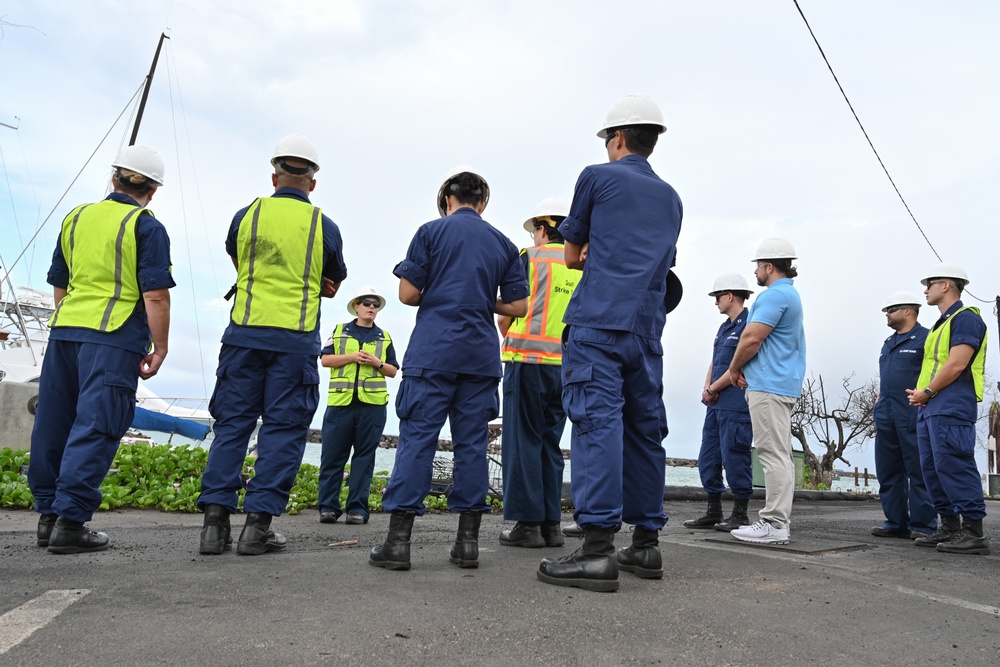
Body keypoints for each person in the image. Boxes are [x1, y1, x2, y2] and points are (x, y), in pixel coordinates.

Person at [536, 94, 682, 593]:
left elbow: (571, 256)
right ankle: (645, 544)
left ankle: (597, 550)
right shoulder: (671, 197)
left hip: (598, 323)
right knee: (644, 431)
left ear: (616, 137)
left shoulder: (596, 177)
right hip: (646, 329)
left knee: (597, 425)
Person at [370, 166, 528, 572]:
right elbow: (517, 307)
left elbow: (408, 294)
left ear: (446, 201)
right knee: (472, 446)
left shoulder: (430, 232)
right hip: (479, 359)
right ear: (483, 203)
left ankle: (398, 544)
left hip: (433, 353)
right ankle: (467, 544)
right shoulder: (505, 245)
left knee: (418, 440)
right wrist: (480, 296)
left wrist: (445, 289)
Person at [198, 134, 347, 556]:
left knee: (232, 428)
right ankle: (257, 528)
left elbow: (238, 260)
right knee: (283, 431)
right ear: (313, 183)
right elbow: (332, 282)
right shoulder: (324, 226)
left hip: (243, 335)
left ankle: (214, 527)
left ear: (274, 175)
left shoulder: (247, 216)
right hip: (295, 341)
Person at [29, 145, 173, 554]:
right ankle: (71, 524)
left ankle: (47, 519)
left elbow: (60, 280)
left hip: (65, 333)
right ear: (153, 190)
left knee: (53, 422)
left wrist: (72, 319)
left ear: (114, 179)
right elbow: (156, 296)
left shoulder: (76, 217)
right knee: (97, 424)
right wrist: (159, 347)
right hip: (113, 339)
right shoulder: (146, 226)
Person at [497, 196, 580, 549]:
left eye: (535, 232)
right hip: (567, 366)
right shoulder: (582, 263)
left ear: (543, 229)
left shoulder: (529, 259)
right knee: (550, 444)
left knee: (522, 442)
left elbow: (507, 312)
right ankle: (551, 526)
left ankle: (527, 526)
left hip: (527, 363)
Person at [907, 263, 990, 555]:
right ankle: (950, 526)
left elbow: (957, 363)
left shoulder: (966, 319)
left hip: (951, 403)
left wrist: (927, 391)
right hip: (931, 405)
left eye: (930, 283)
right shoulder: (941, 325)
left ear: (946, 285)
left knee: (953, 463)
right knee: (933, 467)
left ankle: (973, 532)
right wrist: (924, 396)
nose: (925, 290)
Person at [727, 238, 805, 545]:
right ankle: (778, 521)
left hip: (768, 386)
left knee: (772, 455)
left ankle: (774, 523)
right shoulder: (790, 294)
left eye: (758, 266)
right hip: (779, 383)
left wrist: (734, 369)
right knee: (781, 455)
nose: (757, 272)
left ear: (769, 266)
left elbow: (751, 339)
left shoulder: (774, 296)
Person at [318, 287, 398, 525]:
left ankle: (357, 510)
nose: (371, 307)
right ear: (356, 306)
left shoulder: (384, 337)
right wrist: (353, 357)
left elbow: (393, 370)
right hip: (340, 403)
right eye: (367, 303)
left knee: (364, 458)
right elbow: (325, 360)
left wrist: (377, 362)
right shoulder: (339, 331)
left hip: (372, 406)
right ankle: (328, 508)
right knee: (332, 457)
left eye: (375, 304)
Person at [683, 274, 754, 533]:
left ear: (730, 296)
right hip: (715, 402)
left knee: (735, 455)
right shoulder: (724, 327)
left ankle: (740, 513)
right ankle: (713, 511)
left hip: (735, 404)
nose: (715, 302)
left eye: (717, 297)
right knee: (708, 456)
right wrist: (707, 387)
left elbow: (738, 366)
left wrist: (713, 387)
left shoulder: (749, 324)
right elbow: (716, 362)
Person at [871, 291, 935, 539]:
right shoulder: (888, 342)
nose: (886, 314)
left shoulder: (925, 339)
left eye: (891, 309)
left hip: (912, 412)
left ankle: (923, 526)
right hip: (886, 413)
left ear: (908, 310)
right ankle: (896, 523)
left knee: (918, 470)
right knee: (888, 470)